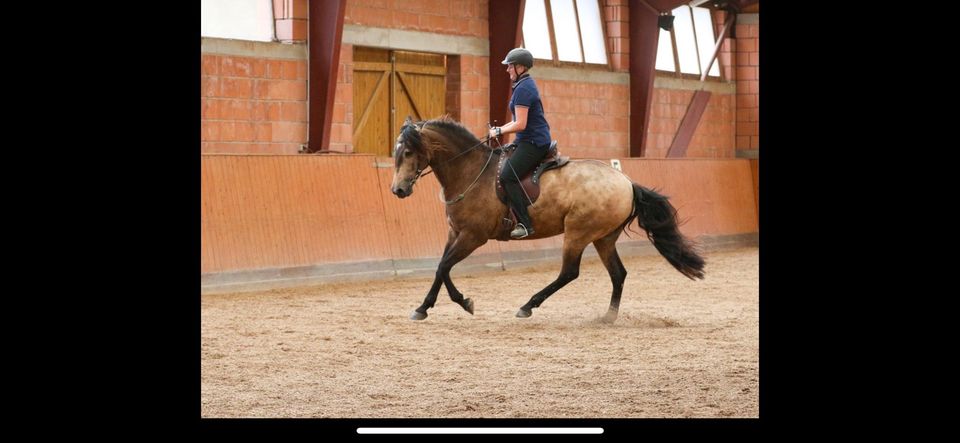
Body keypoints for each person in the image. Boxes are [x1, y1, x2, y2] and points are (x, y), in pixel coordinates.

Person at [488, 48, 552, 239]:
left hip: (534, 142)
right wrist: (497, 130)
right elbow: (515, 121)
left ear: (520, 67)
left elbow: (521, 124)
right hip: (525, 139)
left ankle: (525, 224)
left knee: (507, 176)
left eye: (510, 66)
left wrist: (500, 131)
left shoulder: (524, 88)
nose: (507, 69)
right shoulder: (522, 85)